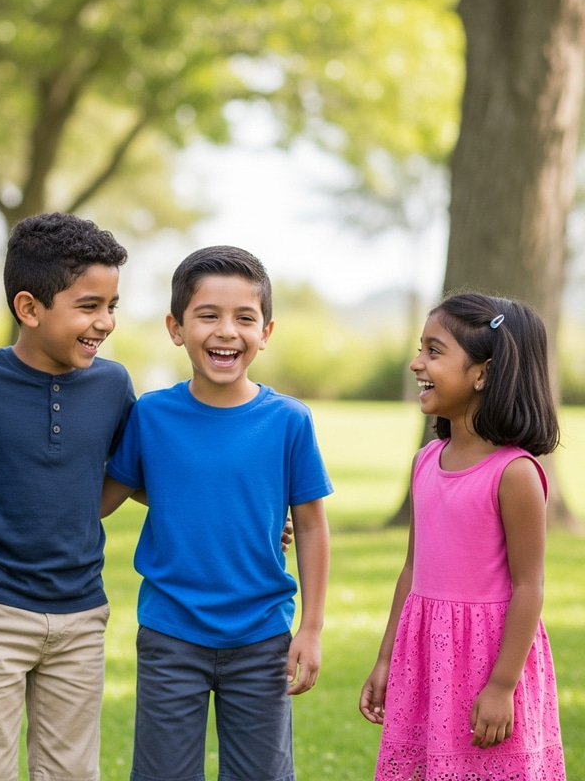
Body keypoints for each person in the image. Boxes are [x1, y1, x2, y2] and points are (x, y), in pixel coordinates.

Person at [100, 245, 332, 781]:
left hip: (263, 636)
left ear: (266, 332)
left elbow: (314, 525)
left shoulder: (289, 421)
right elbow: (114, 494)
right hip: (170, 632)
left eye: (244, 318)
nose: (227, 331)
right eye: (208, 315)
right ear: (176, 328)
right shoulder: (153, 415)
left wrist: (312, 628)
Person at [359, 292, 567, 780]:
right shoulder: (425, 460)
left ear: (483, 373)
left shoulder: (513, 473)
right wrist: (387, 658)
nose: (416, 363)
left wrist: (501, 686)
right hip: (426, 655)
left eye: (434, 351)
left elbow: (528, 587)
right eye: (420, 349)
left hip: (489, 659)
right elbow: (412, 569)